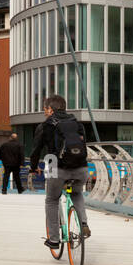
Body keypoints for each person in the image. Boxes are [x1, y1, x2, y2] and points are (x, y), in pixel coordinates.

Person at [29, 94, 92, 248]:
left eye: (45, 109)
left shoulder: (44, 126)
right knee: (76, 193)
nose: (44, 112)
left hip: (55, 165)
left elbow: (36, 150)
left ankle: (54, 240)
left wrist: (33, 167)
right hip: (81, 167)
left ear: (50, 109)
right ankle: (83, 223)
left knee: (52, 199)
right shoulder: (77, 124)